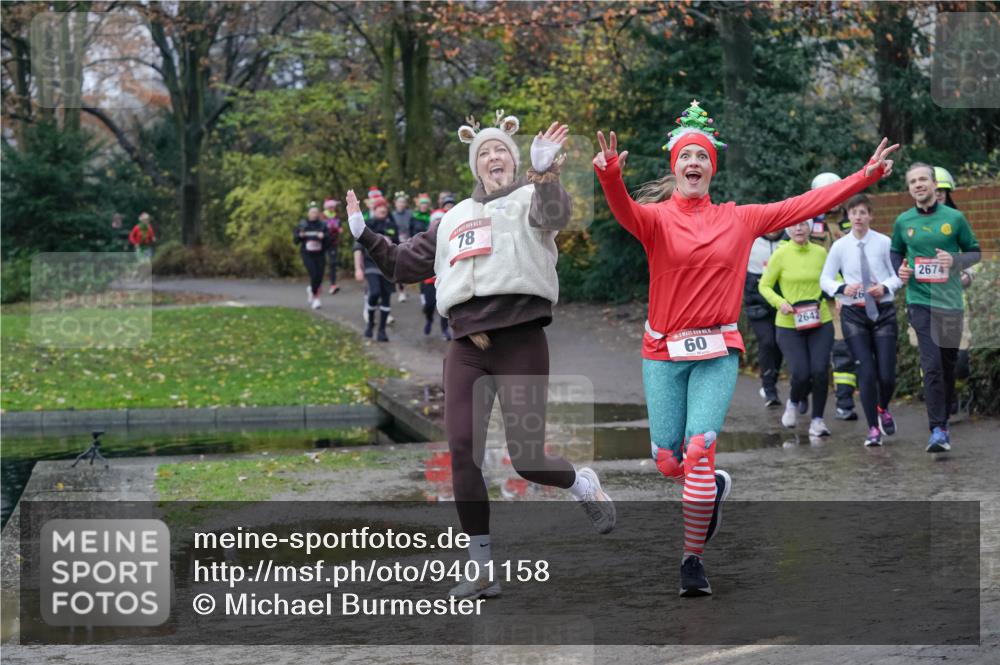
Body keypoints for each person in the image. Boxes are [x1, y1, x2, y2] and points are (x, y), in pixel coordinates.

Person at [593, 99, 897, 597]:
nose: (695, 164)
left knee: (700, 447)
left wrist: (862, 177)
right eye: (687, 157)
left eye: (703, 157)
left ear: (713, 168)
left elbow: (804, 205)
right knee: (668, 459)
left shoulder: (739, 218)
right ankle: (709, 489)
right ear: (676, 167)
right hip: (663, 351)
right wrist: (609, 176)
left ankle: (692, 559)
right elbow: (623, 208)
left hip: (717, 349)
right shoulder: (654, 220)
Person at [349, 111, 615, 601]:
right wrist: (364, 233)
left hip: (520, 340)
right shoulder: (451, 219)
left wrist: (545, 173)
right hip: (466, 347)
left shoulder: (529, 200)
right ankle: (481, 568)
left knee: (527, 459)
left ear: (513, 163)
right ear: (476, 165)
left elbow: (556, 215)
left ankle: (582, 482)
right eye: (485, 153)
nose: (494, 157)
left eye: (502, 152)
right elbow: (402, 263)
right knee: (462, 454)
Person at [892, 163, 981, 452]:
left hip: (950, 303)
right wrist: (901, 271)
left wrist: (954, 262)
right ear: (910, 189)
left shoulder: (954, 218)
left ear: (933, 185)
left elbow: (975, 251)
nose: (918, 185)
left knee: (947, 365)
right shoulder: (903, 221)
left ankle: (943, 420)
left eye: (923, 180)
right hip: (920, 302)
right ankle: (938, 430)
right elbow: (896, 252)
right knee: (930, 366)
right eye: (912, 181)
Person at [820, 194, 902, 447]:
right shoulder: (840, 246)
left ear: (870, 216)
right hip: (854, 314)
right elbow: (825, 279)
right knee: (866, 371)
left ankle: (882, 408)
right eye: (853, 212)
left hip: (883, 312)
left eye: (863, 212)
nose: (858, 217)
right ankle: (872, 429)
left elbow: (899, 275)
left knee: (886, 375)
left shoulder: (884, 242)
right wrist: (843, 287)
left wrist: (885, 287)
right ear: (849, 216)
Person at [759, 220, 835, 438]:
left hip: (820, 320)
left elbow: (833, 278)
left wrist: (839, 292)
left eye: (803, 224)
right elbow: (764, 285)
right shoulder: (781, 254)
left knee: (820, 371)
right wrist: (779, 302)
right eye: (793, 225)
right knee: (801, 373)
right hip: (789, 323)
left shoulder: (820, 253)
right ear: (786, 229)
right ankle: (793, 403)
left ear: (810, 228)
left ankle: (818, 421)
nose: (799, 229)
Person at [808, 173, 858, 421]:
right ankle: (803, 395)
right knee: (810, 354)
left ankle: (845, 402)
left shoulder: (851, 221)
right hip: (811, 299)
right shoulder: (805, 223)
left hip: (840, 297)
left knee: (843, 349)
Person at [744, 230, 786, 407]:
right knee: (767, 341)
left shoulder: (787, 242)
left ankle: (771, 380)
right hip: (757, 305)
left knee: (780, 343)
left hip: (782, 304)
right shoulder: (751, 243)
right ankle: (769, 389)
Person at [354, 196, 397, 341]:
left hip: (388, 267)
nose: (383, 209)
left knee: (386, 298)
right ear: (374, 209)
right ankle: (370, 323)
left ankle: (382, 331)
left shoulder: (392, 226)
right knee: (374, 293)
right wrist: (358, 268)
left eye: (385, 207)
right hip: (371, 265)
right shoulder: (368, 225)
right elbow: (358, 247)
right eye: (379, 206)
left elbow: (400, 247)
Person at [419, 208, 452, 340]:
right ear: (431, 223)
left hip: (444, 279)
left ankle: (445, 330)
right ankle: (428, 319)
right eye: (435, 220)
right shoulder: (424, 238)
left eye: (441, 220)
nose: (438, 222)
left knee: (444, 306)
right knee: (430, 305)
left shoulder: (450, 238)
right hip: (429, 279)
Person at [293, 203, 331, 310]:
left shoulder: (323, 225)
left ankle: (312, 289)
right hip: (307, 254)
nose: (314, 214)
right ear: (308, 213)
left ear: (319, 214)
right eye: (312, 212)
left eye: (316, 212)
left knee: (319, 276)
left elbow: (329, 240)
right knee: (313, 274)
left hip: (320, 254)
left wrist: (323, 237)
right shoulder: (303, 225)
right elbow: (295, 240)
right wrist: (300, 236)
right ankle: (316, 298)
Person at [390, 192, 414, 302]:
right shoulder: (392, 215)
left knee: (407, 267)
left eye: (403, 202)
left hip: (409, 242)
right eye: (399, 202)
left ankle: (404, 288)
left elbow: (414, 227)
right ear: (395, 203)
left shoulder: (410, 214)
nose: (401, 204)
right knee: (398, 266)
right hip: (396, 243)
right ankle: (401, 291)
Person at [322, 198, 341, 295]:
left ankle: (333, 285)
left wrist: (338, 229)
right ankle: (317, 284)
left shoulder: (337, 215)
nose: (332, 208)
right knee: (321, 264)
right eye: (330, 207)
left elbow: (339, 227)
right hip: (323, 243)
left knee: (333, 263)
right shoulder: (323, 216)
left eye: (333, 206)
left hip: (333, 243)